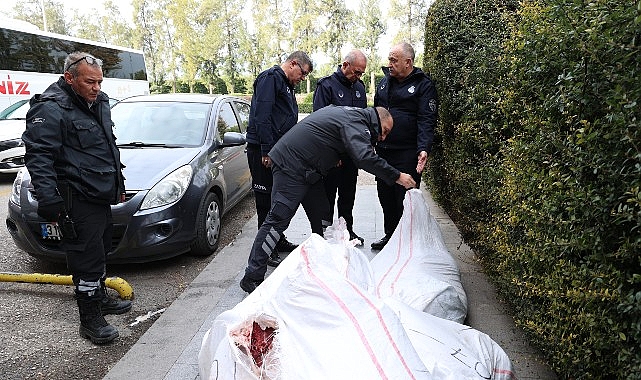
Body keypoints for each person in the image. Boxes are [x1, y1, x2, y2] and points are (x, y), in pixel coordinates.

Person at [240, 105, 417, 293]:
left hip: (309, 170)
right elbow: (364, 157)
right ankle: (252, 277)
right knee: (277, 220)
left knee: (323, 220)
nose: (383, 138)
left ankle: (321, 272)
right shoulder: (356, 122)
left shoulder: (354, 117)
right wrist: (398, 176)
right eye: (384, 132)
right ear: (377, 121)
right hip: (290, 167)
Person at [22, 52, 131, 344]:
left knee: (100, 250)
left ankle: (101, 298)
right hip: (76, 198)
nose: (97, 87)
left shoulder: (98, 101)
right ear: (69, 78)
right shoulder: (51, 108)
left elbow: (108, 147)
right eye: (90, 82)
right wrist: (49, 200)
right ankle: (90, 319)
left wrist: (117, 185)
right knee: (86, 259)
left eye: (99, 81)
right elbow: (39, 157)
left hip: (98, 195)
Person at [246, 51, 313, 268]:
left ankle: (277, 239)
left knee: (278, 198)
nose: (302, 79)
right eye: (302, 74)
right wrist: (267, 150)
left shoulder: (286, 84)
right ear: (293, 63)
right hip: (264, 151)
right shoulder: (270, 78)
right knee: (265, 202)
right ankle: (266, 250)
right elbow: (262, 116)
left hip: (278, 151)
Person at [371, 42, 438, 250]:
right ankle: (390, 237)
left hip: (407, 153)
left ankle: (407, 243)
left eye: (394, 60)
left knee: (405, 199)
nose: (389, 64)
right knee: (386, 196)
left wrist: (423, 147)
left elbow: (427, 119)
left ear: (408, 62)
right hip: (383, 151)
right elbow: (375, 114)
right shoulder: (384, 83)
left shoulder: (423, 85)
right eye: (389, 59)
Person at [312, 49, 368, 246]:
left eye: (361, 73)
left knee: (347, 196)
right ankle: (324, 236)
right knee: (327, 198)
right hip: (331, 156)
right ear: (345, 65)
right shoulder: (326, 86)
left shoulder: (359, 87)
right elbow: (318, 124)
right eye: (356, 72)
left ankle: (347, 231)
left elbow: (362, 122)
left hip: (351, 154)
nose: (358, 76)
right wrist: (330, 154)